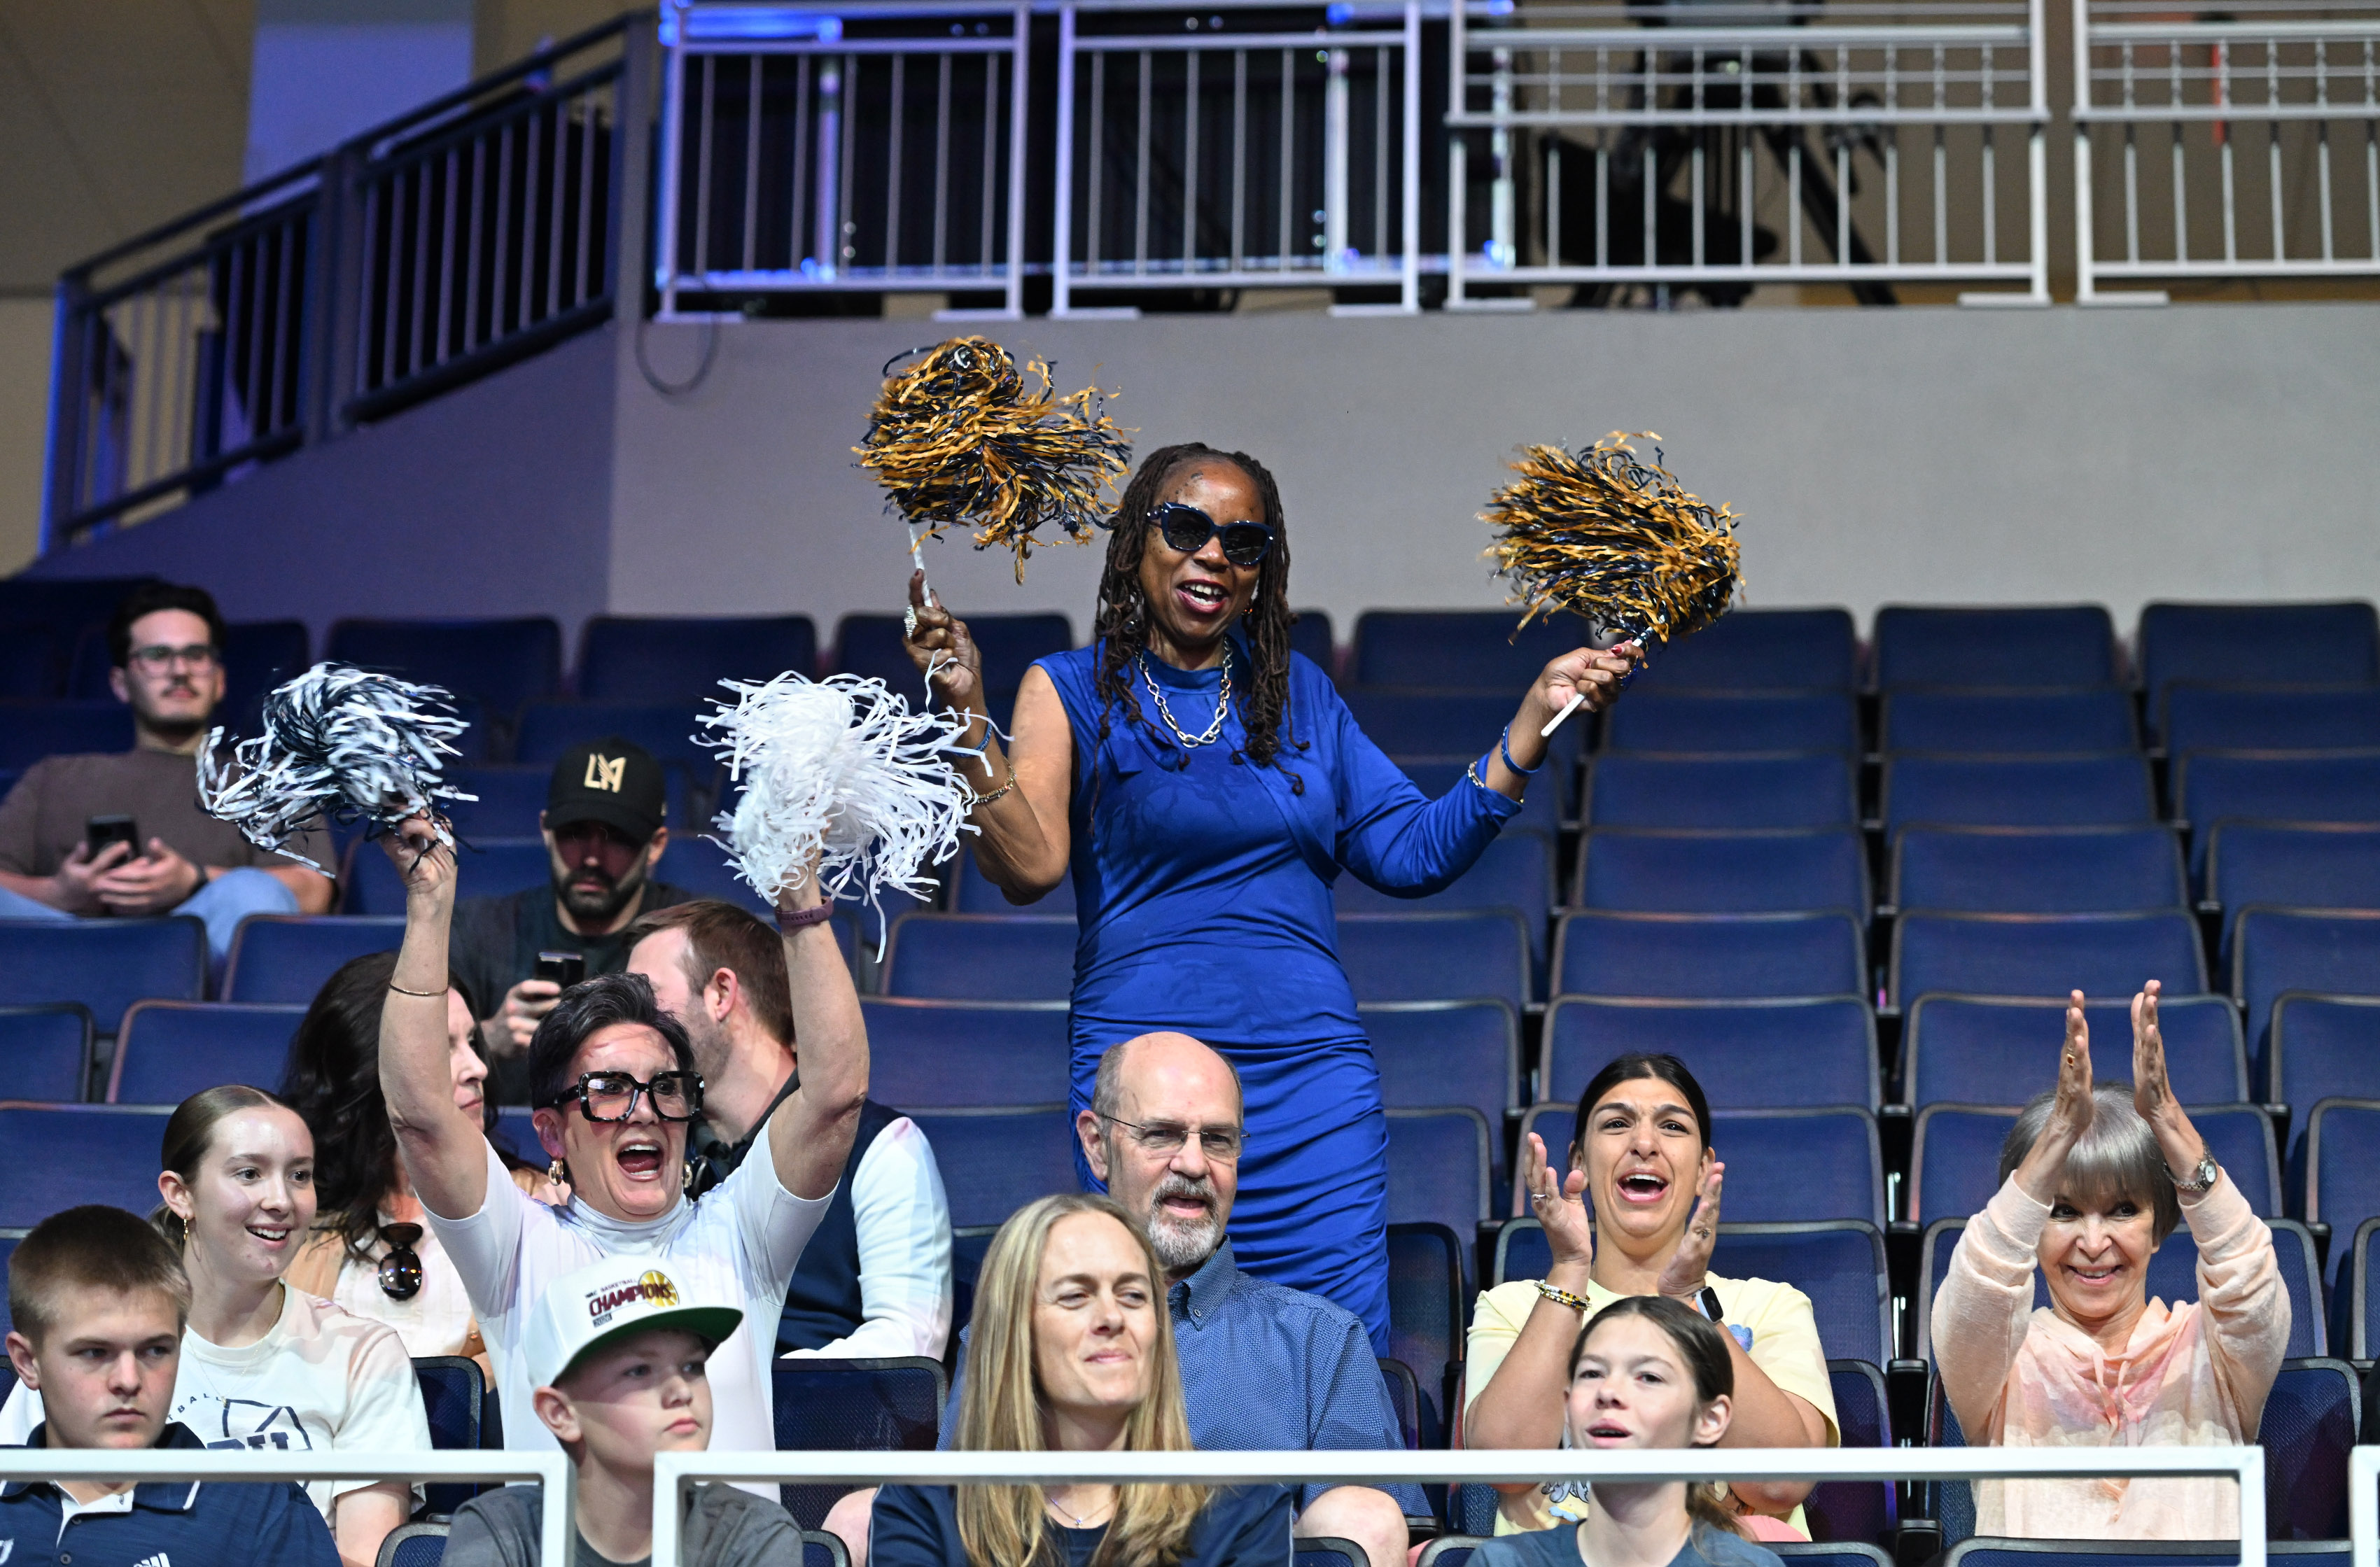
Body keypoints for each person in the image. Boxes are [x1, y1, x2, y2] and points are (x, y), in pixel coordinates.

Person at [902, 443, 1640, 1351]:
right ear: (1139, 542)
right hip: (1155, 1100)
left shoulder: (1301, 697)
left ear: (1262, 573)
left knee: (1327, 1354)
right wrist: (964, 715)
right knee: (1151, 1350)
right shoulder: (1072, 688)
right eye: (1187, 528)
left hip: (1310, 1096)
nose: (1214, 554)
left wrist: (1531, 718)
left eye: (1244, 542)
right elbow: (1028, 867)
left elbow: (1411, 851)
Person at [375, 816, 867, 1482]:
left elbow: (835, 1094)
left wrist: (799, 896)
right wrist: (430, 904)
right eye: (609, 1090)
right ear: (551, 1131)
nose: (646, 1112)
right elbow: (420, 1115)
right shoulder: (514, 1245)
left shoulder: (744, 1232)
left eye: (666, 1087)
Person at [0, 1086, 430, 1567]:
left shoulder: (362, 1353)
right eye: (249, 1173)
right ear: (180, 1193)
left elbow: (368, 1559)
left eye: (300, 1175)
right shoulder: (87, 1344)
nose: (281, 1199)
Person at [1931, 982, 2288, 1539]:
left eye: (2122, 1209)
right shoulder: (1999, 1360)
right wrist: (2057, 1135)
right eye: (2064, 1211)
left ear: (2158, 1226)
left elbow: (2250, 1276)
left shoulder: (2211, 1349)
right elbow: (1980, 1284)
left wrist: (2168, 1119)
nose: (2093, 1242)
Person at [1466, 1053, 1836, 1538]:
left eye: (1673, 1127)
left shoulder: (1771, 1307)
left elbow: (1779, 1481)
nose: (1644, 1143)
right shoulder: (1514, 1307)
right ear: (1579, 1159)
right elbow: (1504, 1463)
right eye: (1617, 1123)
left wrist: (1688, 1297)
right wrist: (1570, 1268)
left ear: (1705, 1167)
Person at [868, 1193, 1293, 1567]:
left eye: (1133, 1296)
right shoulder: (923, 1508)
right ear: (1016, 1332)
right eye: (1075, 1296)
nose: (1111, 1318)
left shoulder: (1243, 1510)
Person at [626, 898, 954, 1357]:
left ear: (721, 994)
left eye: (647, 995)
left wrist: (762, 1387)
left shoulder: (882, 1146)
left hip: (830, 1419)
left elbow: (909, 1341)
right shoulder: (658, 1149)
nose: (629, 1022)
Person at [0, 582, 332, 969]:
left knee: (252, 891)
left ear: (219, 679)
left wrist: (194, 880)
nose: (179, 671)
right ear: (121, 683)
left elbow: (313, 891)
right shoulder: (53, 777)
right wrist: (58, 893)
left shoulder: (268, 780)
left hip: (196, 958)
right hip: (63, 953)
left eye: (196, 655)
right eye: (158, 655)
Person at [0, 1204, 341, 1567]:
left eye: (156, 1350)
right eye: (96, 1352)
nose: (129, 1381)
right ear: (26, 1362)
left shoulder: (263, 1510)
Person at [440, 1257, 802, 1567]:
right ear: (559, 1413)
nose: (680, 1391)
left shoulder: (754, 1531)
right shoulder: (498, 1531)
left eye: (692, 1366)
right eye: (639, 1371)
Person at [279, 949, 545, 1368]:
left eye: (473, 1043)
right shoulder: (289, 1221)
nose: (478, 1068)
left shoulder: (539, 1204)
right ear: (369, 1069)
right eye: (444, 1049)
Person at [449, 736, 694, 1104]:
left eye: (616, 837)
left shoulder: (689, 937)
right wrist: (485, 1040)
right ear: (547, 830)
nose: (592, 857)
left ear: (656, 845)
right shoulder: (480, 929)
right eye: (575, 833)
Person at [1474, 1295, 1786, 1567]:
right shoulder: (1503, 1563)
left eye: (1649, 1377)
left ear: (1710, 1419)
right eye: (1592, 1373)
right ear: (1568, 1407)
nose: (1608, 1392)